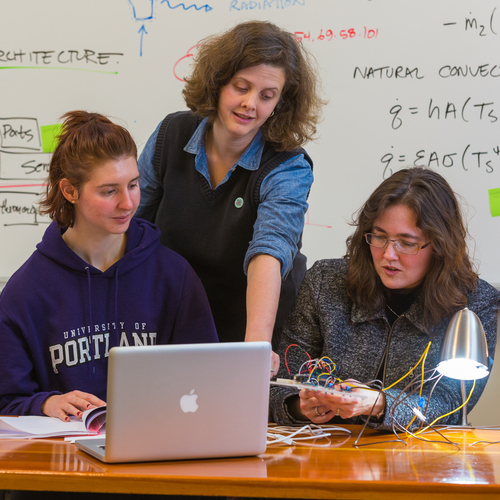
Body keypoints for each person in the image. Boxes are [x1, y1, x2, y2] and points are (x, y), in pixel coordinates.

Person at [0, 111, 217, 421]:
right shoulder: (25, 292)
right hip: (65, 460)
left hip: (158, 452)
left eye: (132, 185)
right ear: (69, 191)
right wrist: (46, 404)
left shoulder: (174, 276)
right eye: (109, 191)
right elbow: (6, 401)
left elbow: (210, 384)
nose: (128, 203)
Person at [136, 21, 324, 374]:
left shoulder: (288, 166)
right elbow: (131, 227)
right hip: (176, 319)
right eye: (241, 87)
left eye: (267, 96)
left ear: (281, 103)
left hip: (253, 325)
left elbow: (269, 251)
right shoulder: (170, 135)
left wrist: (253, 349)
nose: (250, 104)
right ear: (219, 82)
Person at [269, 167, 500, 430]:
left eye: (407, 242)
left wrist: (379, 404)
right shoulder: (325, 282)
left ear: (439, 245)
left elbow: (452, 404)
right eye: (379, 236)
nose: (389, 254)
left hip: (421, 460)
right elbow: (280, 385)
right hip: (327, 453)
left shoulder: (474, 302)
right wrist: (301, 407)